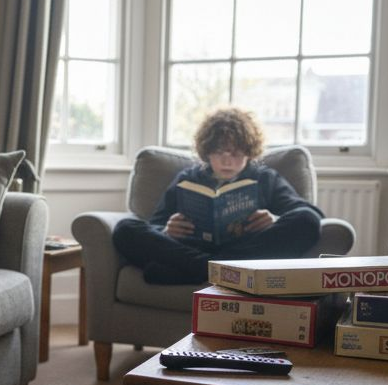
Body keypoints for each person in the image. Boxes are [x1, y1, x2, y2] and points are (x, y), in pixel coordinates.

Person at [112, 106, 322, 285]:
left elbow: (309, 214)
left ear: (249, 151)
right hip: (192, 250)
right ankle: (219, 270)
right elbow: (153, 225)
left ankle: (200, 270)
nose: (227, 161)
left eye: (236, 152)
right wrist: (167, 231)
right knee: (125, 229)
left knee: (307, 221)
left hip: (247, 250)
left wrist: (275, 220)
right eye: (220, 151)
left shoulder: (265, 178)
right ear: (207, 150)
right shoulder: (188, 178)